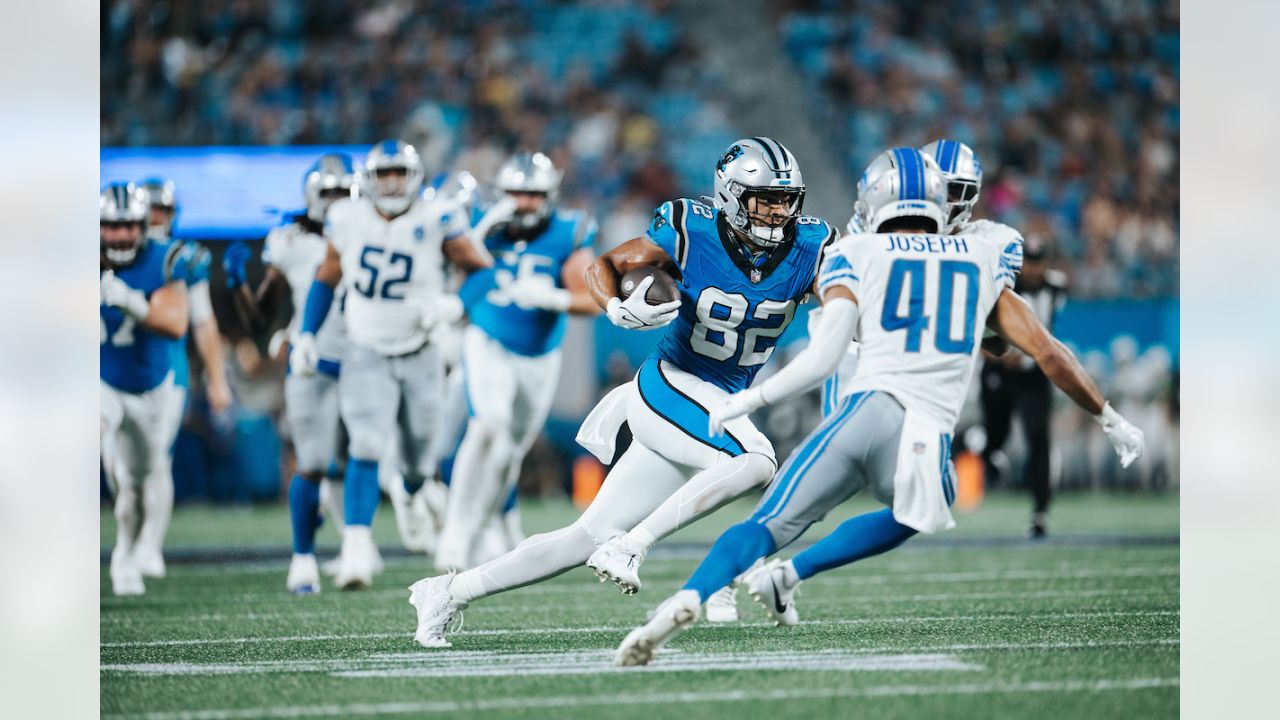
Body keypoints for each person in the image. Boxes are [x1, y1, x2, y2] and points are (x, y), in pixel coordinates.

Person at [613, 147, 1144, 665]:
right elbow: (1045, 353)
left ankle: (687, 599)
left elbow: (823, 356)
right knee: (924, 506)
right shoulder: (985, 255)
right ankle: (791, 574)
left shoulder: (856, 251)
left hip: (858, 412)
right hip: (923, 430)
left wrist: (751, 398)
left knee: (769, 523)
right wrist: (1109, 417)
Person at [408, 137, 840, 647]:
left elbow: (842, 295)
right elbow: (604, 268)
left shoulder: (811, 247)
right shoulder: (688, 228)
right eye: (764, 199)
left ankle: (445, 592)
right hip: (670, 384)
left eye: (785, 200)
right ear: (729, 195)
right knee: (757, 461)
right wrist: (616, 307)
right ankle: (638, 547)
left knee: (583, 537)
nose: (777, 213)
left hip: (714, 402)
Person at [295, 139, 491, 589]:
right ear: (369, 179)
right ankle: (357, 550)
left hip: (420, 350)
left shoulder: (437, 216)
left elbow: (484, 270)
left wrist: (454, 306)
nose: (392, 182)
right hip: (364, 349)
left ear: (414, 176)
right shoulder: (347, 218)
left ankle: (417, 490)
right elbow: (326, 279)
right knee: (364, 443)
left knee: (421, 458)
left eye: (399, 173)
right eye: (384, 174)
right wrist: (307, 332)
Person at [433, 152, 600, 571]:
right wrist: (482, 229)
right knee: (487, 425)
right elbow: (446, 260)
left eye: (533, 193)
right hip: (487, 338)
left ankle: (485, 524)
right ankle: (456, 534)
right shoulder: (483, 225)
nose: (523, 202)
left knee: (510, 451)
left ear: (549, 195)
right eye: (516, 193)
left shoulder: (568, 231)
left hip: (540, 356)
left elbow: (593, 298)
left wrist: (555, 297)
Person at [224, 153, 357, 593]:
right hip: (312, 359)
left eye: (344, 192)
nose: (337, 201)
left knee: (366, 455)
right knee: (313, 461)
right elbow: (260, 317)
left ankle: (356, 547)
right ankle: (303, 558)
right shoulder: (291, 241)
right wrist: (240, 283)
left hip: (365, 359)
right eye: (330, 193)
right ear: (312, 197)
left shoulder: (372, 229)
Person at [127, 179, 232, 579]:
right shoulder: (108, 253)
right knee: (121, 466)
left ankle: (149, 545)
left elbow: (203, 322)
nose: (155, 219)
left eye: (162, 212)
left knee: (156, 458)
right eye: (149, 211)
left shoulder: (181, 259)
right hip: (112, 368)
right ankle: (133, 541)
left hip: (166, 371)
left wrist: (218, 380)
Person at [99, 183, 190, 595]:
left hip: (149, 388)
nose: (119, 236)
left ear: (142, 226)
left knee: (135, 489)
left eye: (127, 227)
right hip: (100, 381)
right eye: (109, 227)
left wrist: (134, 302)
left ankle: (126, 553)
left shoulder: (164, 258)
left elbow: (175, 323)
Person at [978, 234, 1068, 537]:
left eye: (1038, 262)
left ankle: (1040, 510)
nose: (1032, 269)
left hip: (1033, 374)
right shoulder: (1002, 280)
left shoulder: (1055, 287)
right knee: (994, 434)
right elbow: (973, 325)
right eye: (1028, 263)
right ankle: (992, 459)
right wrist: (1000, 357)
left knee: (1038, 436)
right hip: (999, 371)